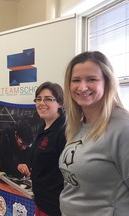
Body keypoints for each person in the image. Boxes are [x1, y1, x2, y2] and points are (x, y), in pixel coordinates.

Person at [59, 51, 129, 215]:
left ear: (107, 82)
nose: (82, 87)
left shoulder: (122, 128)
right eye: (76, 80)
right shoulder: (77, 125)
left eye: (91, 79)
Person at [30, 81, 66, 216]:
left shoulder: (64, 132)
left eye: (48, 99)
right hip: (41, 201)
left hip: (55, 206)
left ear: (60, 103)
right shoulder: (43, 127)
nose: (41, 103)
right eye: (38, 99)